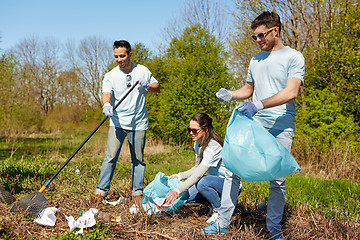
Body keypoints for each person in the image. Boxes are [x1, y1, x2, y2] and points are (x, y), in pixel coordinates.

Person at [203, 11, 305, 240]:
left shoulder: (294, 56)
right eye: (254, 37)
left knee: (277, 180)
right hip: (255, 124)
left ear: (275, 30)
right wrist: (230, 94)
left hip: (281, 125)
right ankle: (223, 222)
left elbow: (291, 91)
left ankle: (274, 229)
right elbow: (248, 89)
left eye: (260, 35)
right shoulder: (256, 59)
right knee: (232, 170)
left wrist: (259, 104)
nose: (257, 40)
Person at [95, 40, 160, 204]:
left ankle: (137, 192)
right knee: (110, 158)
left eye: (122, 56)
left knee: (138, 159)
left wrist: (149, 86)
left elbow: (157, 86)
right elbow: (106, 93)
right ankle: (100, 192)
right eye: (116, 56)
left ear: (130, 54)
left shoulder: (142, 70)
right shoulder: (111, 75)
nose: (119, 59)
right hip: (117, 123)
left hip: (138, 123)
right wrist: (106, 104)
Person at [164, 113, 231, 223]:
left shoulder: (212, 147)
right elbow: (196, 168)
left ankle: (220, 211)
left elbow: (199, 173)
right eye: (189, 129)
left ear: (206, 130)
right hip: (213, 182)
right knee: (187, 195)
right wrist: (179, 176)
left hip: (228, 185)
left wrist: (176, 191)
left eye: (195, 130)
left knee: (202, 183)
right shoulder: (198, 143)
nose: (191, 133)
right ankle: (214, 203)